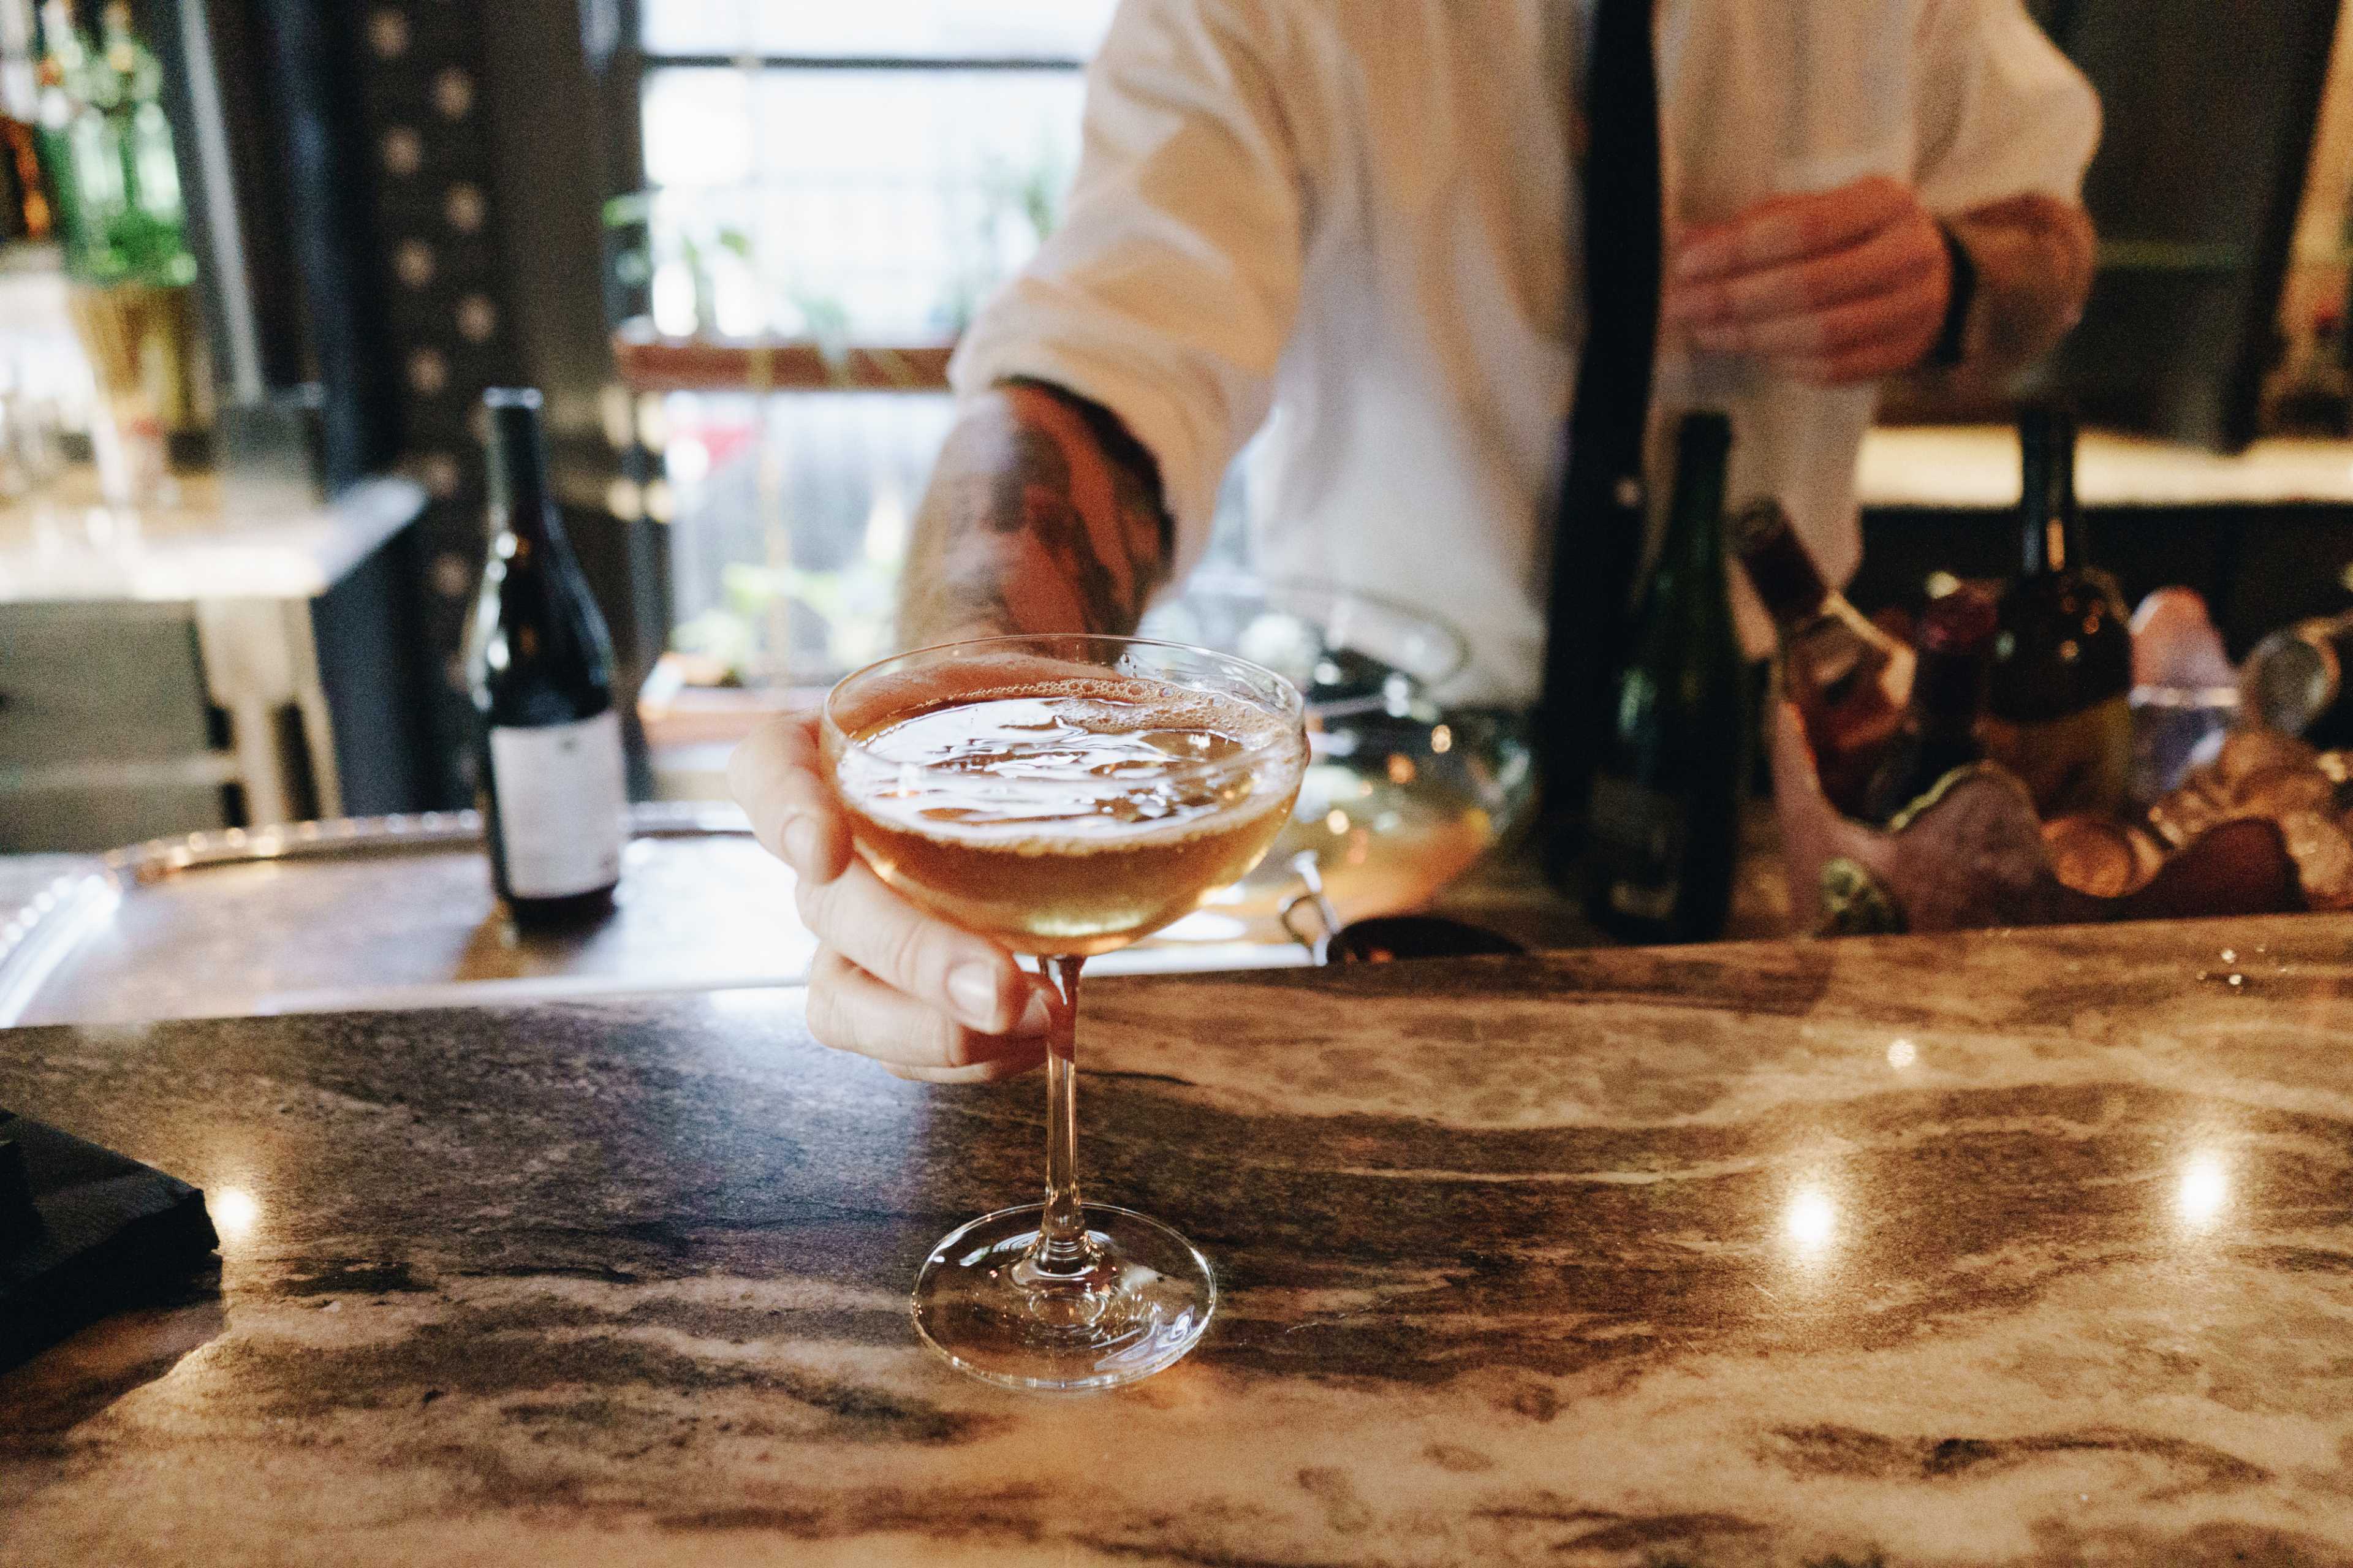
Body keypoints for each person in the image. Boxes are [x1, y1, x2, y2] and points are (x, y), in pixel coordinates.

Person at [731, 0, 2102, 1080]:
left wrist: (1957, 278)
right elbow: (1102, 371)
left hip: (1766, 776)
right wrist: (975, 679)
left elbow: (2045, 230)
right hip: (1389, 788)